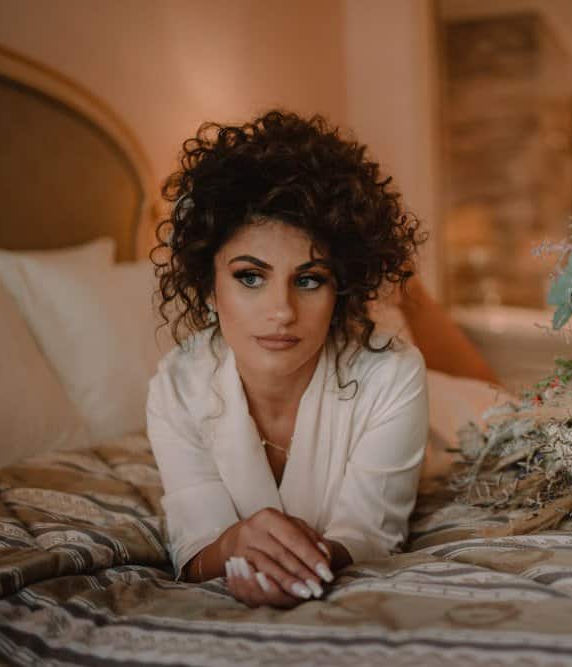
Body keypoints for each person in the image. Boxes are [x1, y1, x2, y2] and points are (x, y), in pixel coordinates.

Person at [148, 110, 433, 609]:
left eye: (309, 279)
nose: (281, 312)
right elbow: (195, 546)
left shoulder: (394, 375)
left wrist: (300, 559)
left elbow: (371, 531)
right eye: (250, 277)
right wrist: (234, 546)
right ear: (208, 288)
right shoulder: (175, 386)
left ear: (340, 289)